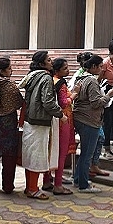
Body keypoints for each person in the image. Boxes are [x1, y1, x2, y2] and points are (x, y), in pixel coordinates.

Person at [18, 51, 66, 200]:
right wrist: (60, 114)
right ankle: (33, 189)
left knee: (30, 155)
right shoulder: (45, 78)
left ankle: (30, 187)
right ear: (41, 64)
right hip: (39, 121)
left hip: (30, 120)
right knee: (37, 156)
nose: (51, 62)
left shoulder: (32, 76)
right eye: (48, 60)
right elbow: (48, 102)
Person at [73, 54, 113, 193]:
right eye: (100, 66)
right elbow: (96, 103)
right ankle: (83, 184)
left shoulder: (81, 78)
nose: (102, 69)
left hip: (80, 117)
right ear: (93, 67)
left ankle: (79, 178)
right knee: (87, 154)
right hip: (89, 119)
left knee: (84, 152)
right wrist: (108, 96)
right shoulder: (91, 81)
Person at [0, 57, 24, 194]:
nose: (11, 70)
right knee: (9, 157)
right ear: (2, 71)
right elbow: (19, 102)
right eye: (9, 68)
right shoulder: (10, 87)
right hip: (8, 125)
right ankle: (8, 185)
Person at [43, 58, 77, 196]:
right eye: (65, 68)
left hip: (52, 120)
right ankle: (58, 184)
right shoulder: (61, 83)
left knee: (51, 150)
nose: (68, 70)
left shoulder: (51, 80)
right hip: (63, 120)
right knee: (61, 153)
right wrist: (74, 94)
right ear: (57, 70)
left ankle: (46, 180)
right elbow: (63, 102)